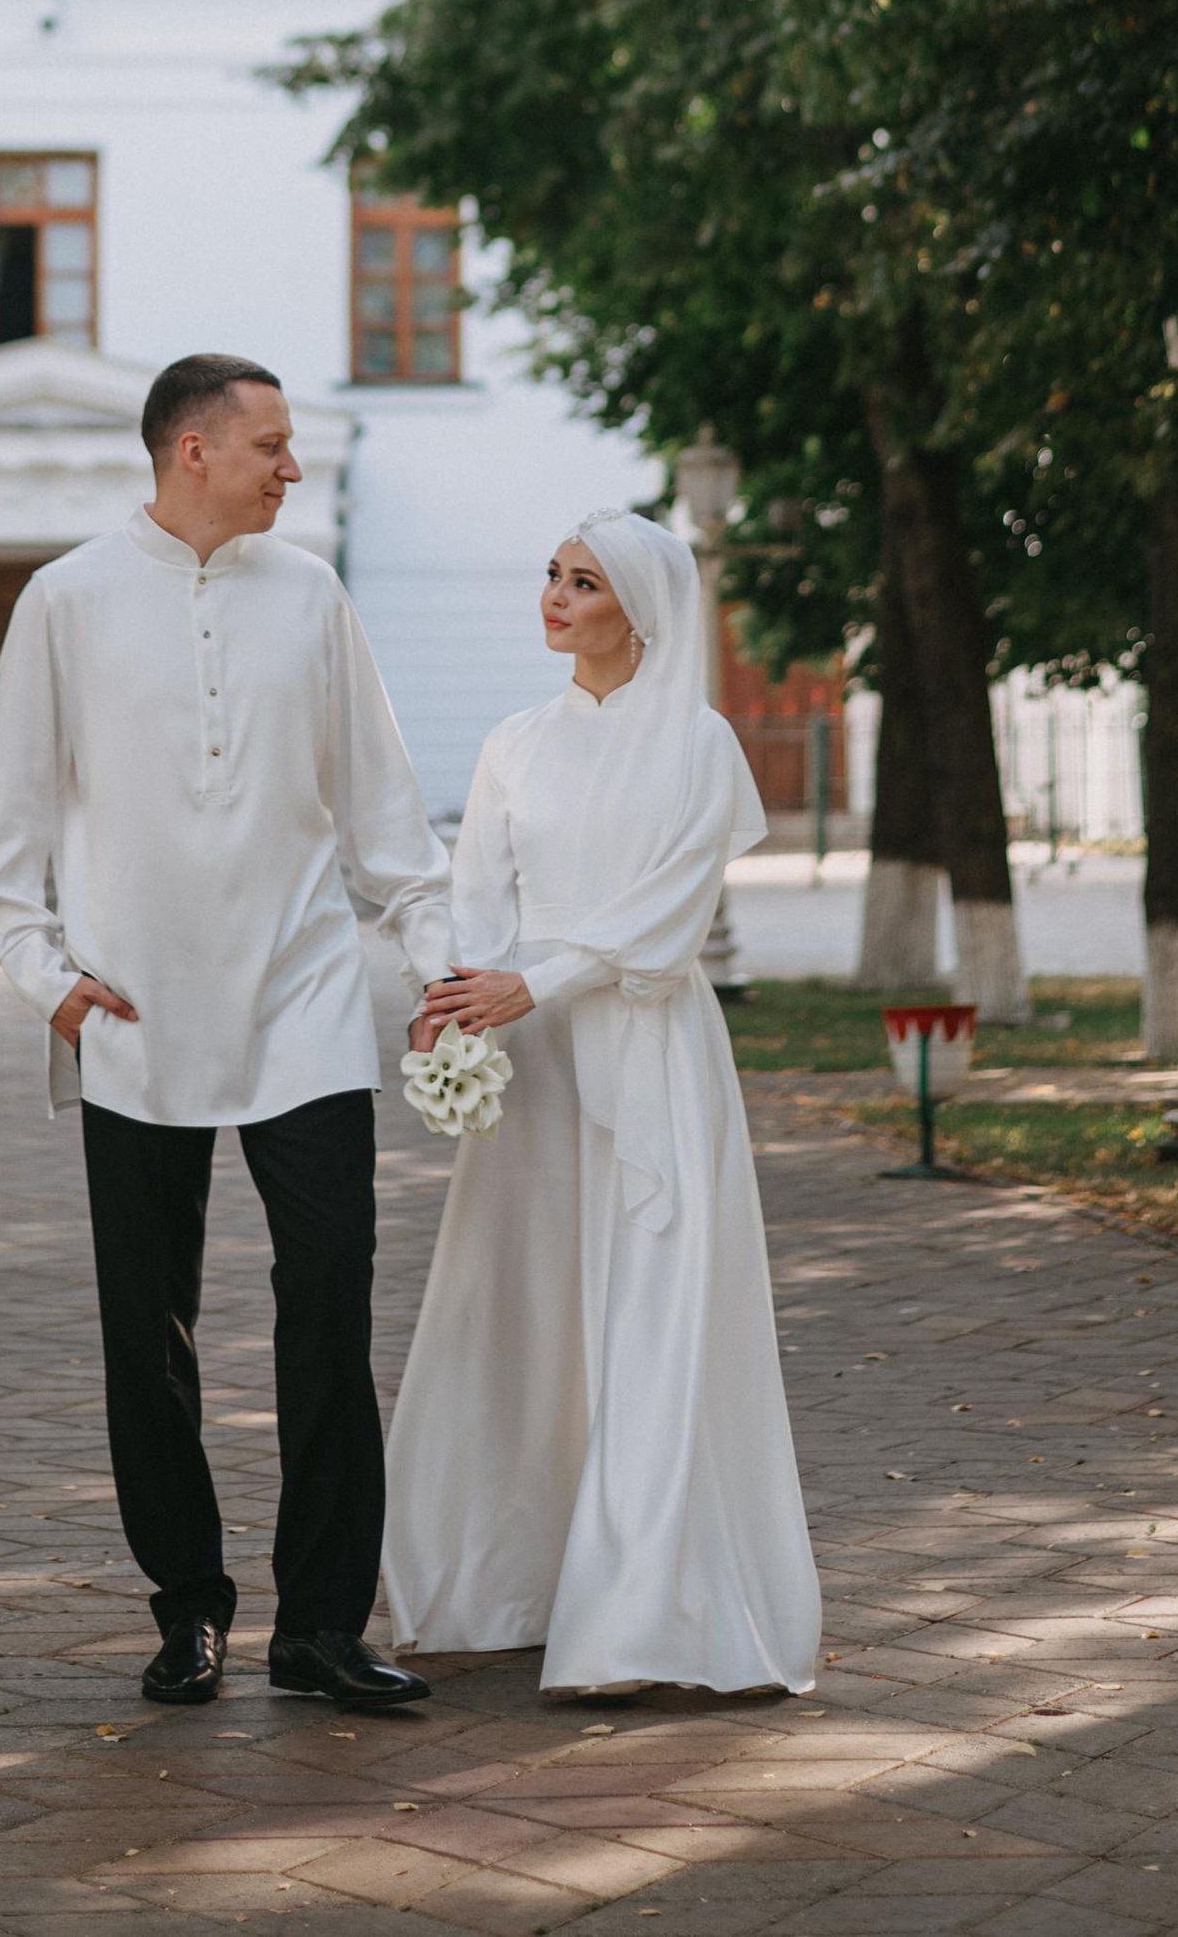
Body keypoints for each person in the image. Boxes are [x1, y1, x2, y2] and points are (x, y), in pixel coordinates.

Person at [0, 351, 453, 1717]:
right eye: (272, 445)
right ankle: (187, 1606)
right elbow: (6, 831)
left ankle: (320, 1623)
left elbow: (382, 811)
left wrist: (434, 959)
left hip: (304, 999)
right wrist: (45, 977)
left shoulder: (310, 593)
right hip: (131, 1012)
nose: (291, 467)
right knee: (150, 1327)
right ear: (194, 449)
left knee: (334, 1289)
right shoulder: (64, 599)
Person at [383, 509, 822, 1697]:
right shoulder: (513, 744)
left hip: (647, 1045)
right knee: (520, 1304)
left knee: (651, 1308)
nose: (555, 597)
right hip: (530, 1067)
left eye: (583, 582)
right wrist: (454, 998)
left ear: (640, 608)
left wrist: (544, 977)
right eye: (551, 576)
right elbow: (478, 893)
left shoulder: (698, 744)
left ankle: (640, 1619)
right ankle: (508, 1580)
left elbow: (671, 919)